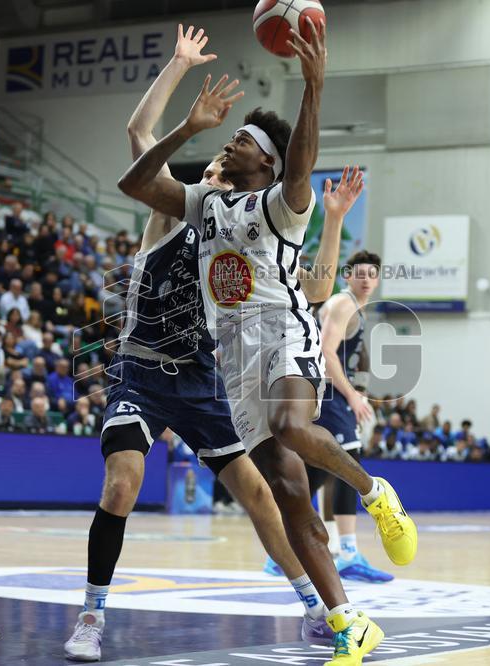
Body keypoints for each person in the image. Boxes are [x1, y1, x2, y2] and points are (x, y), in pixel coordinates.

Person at [66, 25, 383, 663]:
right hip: (145, 371)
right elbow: (138, 138)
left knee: (265, 494)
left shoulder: (250, 225)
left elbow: (309, 285)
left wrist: (334, 220)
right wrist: (180, 73)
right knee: (123, 486)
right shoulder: (175, 212)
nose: (216, 170)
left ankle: (315, 608)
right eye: (211, 164)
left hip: (208, 376)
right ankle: (92, 615)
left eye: (225, 164)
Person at [287, 249, 394, 584]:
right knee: (350, 462)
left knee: (320, 470)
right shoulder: (344, 304)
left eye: (371, 275)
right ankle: (347, 552)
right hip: (329, 391)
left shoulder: (355, 308)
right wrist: (352, 395)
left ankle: (283, 548)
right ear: (348, 276)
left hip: (331, 390)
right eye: (359, 273)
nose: (365, 279)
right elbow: (326, 352)